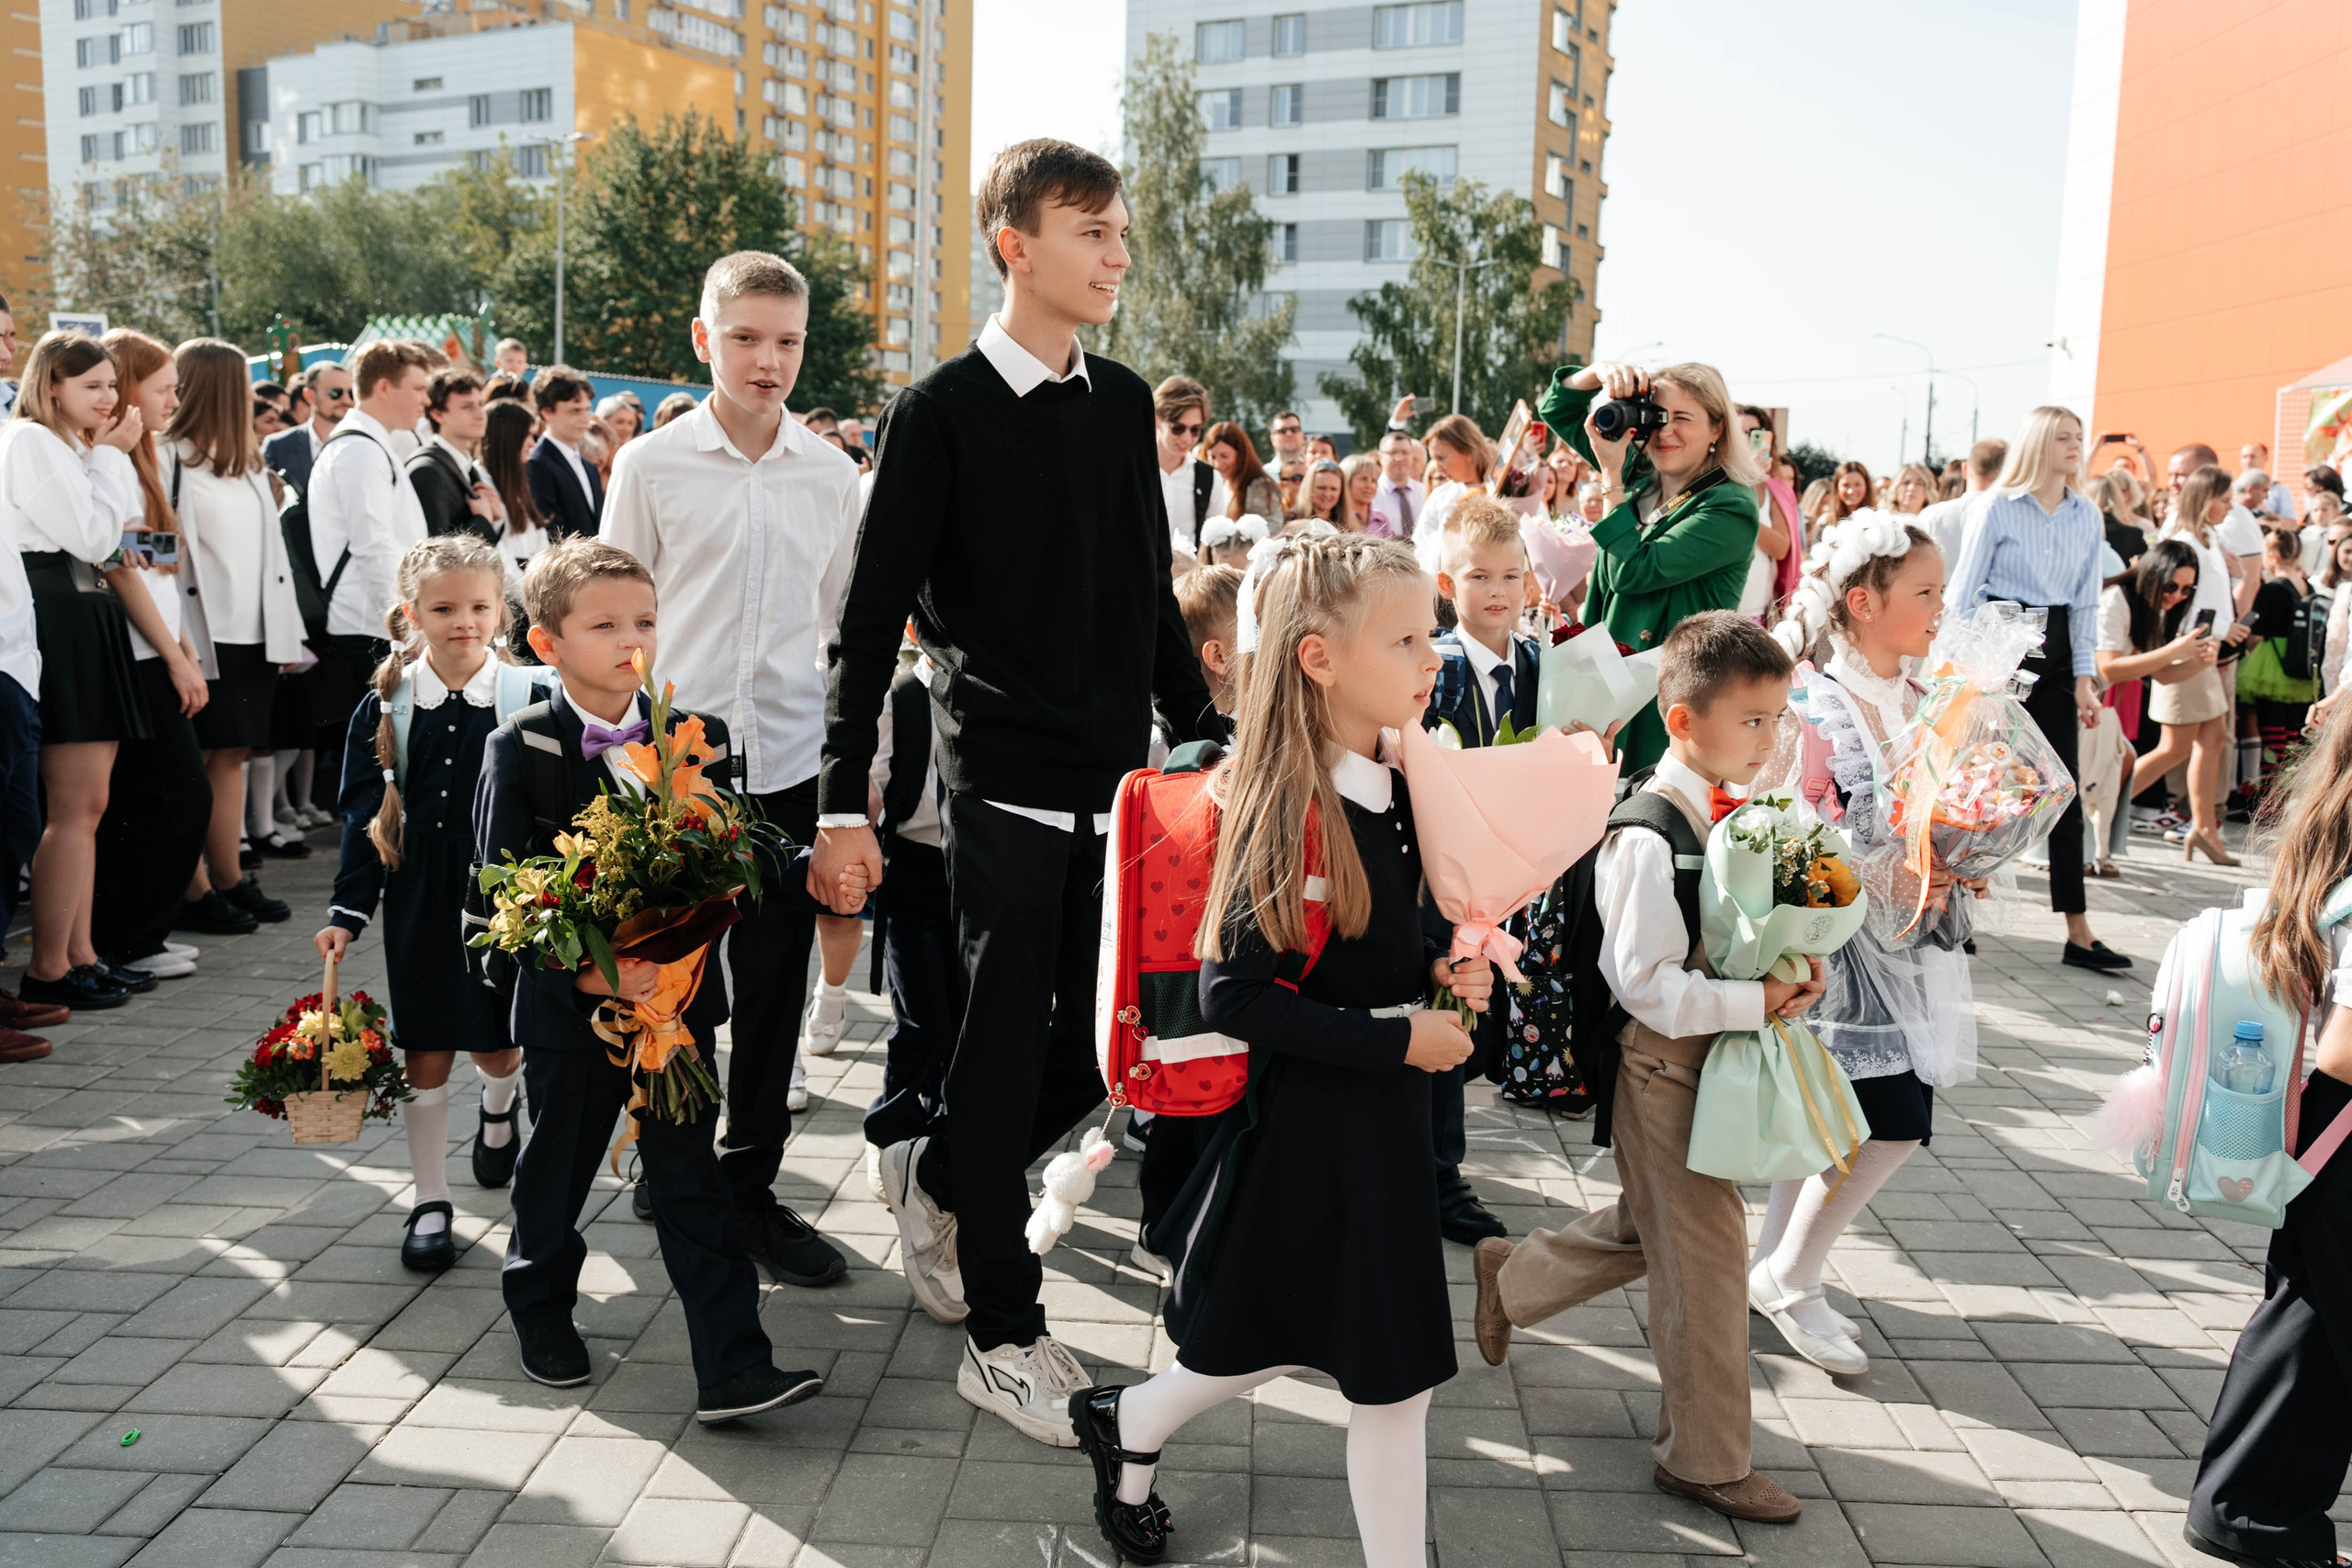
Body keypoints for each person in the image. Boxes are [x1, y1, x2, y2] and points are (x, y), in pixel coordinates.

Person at [810, 138, 1223, 1444]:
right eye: (1089, 231)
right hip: (997, 792)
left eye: (1118, 234)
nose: (1115, 256)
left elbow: (1145, 591)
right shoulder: (937, 416)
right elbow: (871, 627)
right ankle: (1003, 1333)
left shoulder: (1118, 404)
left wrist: (1206, 727)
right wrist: (839, 800)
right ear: (1014, 244)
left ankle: (935, 1167)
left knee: (1112, 1048)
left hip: (1125, 790)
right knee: (997, 1058)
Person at [1070, 532, 1481, 1568]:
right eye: (1405, 639)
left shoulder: (1393, 779)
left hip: (1370, 1125)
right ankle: (1135, 1423)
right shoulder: (1286, 797)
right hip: (1306, 1131)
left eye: (1430, 634)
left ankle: (1130, 1423)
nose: (1431, 656)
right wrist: (1398, 1037)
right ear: (1318, 659)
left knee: (1329, 1355)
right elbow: (1235, 992)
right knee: (1365, 1367)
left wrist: (1438, 972)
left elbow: (1358, 951)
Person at [481, 536, 848, 1422]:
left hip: (679, 1013)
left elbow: (742, 837)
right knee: (555, 1176)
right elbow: (493, 906)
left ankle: (732, 1364)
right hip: (576, 1023)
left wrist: (812, 865)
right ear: (546, 643)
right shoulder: (520, 746)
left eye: (644, 620)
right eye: (603, 624)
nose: (630, 638)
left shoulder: (696, 731)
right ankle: (541, 1309)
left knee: (692, 1181)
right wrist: (593, 974)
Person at [1472, 611, 1821, 1528]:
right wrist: (1757, 1000)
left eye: (1777, 718)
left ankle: (1512, 1275)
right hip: (1665, 1072)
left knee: (1656, 1229)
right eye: (1751, 720)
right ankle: (1703, 1460)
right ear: (1681, 721)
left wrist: (1792, 966)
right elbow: (1644, 987)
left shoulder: (1732, 807)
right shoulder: (1647, 831)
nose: (1768, 738)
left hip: (1710, 1065)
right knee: (1704, 1269)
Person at [601, 250, 863, 1291]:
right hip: (677, 770)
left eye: (787, 341)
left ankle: (749, 1189)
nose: (768, 361)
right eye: (746, 338)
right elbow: (611, 626)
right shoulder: (650, 467)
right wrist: (634, 765)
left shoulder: (830, 473)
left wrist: (857, 779)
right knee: (679, 989)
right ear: (705, 340)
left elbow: (847, 630)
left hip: (793, 762)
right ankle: (674, 1168)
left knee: (770, 993)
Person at [1754, 515, 1980, 1378]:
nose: (1938, 605)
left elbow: (1938, 814)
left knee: (1834, 1118)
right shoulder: (1815, 702)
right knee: (1888, 1122)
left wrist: (1964, 853)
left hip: (1908, 943)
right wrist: (1871, 873)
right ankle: (1789, 1272)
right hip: (1837, 950)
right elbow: (1780, 830)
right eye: (1923, 591)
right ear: (1864, 601)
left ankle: (1776, 1265)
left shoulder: (1923, 698)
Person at [317, 536, 529, 1271]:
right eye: (443, 608)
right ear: (412, 614)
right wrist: (349, 911)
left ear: (502, 609)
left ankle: (500, 1113)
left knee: (497, 1041)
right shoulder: (388, 702)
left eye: (478, 606)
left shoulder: (527, 696)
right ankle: (430, 1199)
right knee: (425, 1045)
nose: (463, 620)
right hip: (418, 897)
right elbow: (362, 816)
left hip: (506, 898)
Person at [2185, 697, 2352, 1563]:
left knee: (2309, 1314)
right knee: (2310, 1309)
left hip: (2327, 1132)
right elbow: (2347, 1047)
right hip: (2344, 1121)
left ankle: (2250, 1505)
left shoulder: (2337, 831)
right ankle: (2248, 1504)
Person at [1946, 407, 2132, 967]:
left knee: (2063, 787)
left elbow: (2085, 604)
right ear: (2038, 444)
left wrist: (2082, 679)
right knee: (1980, 787)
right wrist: (1964, 666)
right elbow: (1962, 592)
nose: (2077, 446)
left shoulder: (2087, 516)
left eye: (2079, 437)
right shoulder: (1996, 507)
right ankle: (1958, 907)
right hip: (2000, 645)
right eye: (2064, 438)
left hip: (2055, 650)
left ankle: (2078, 930)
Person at [3, 332, 153, 1010]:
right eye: (92, 386)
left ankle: (80, 953)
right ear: (52, 385)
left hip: (79, 610)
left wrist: (103, 456)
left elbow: (116, 535)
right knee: (73, 807)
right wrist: (114, 455)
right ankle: (51, 965)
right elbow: (97, 538)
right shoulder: (33, 440)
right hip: (60, 610)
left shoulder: (68, 447)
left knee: (87, 807)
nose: (109, 398)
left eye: (112, 384)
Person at [1538, 360, 1764, 771]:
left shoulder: (1730, 505)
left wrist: (1610, 477)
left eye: (1683, 418)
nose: (1665, 431)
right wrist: (1596, 373)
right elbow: (1557, 408)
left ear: (1717, 428)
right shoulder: (1642, 476)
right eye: (1657, 416)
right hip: (1606, 681)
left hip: (1670, 695)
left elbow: (1632, 571)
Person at [1422, 497, 1537, 1246]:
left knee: (1476, 1018)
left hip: (1511, 872)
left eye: (1510, 575)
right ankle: (1437, 1172)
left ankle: (1437, 1161)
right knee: (1441, 1005)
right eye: (1478, 576)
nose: (1497, 591)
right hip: (1440, 875)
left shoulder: (1539, 663)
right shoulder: (1438, 667)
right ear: (1447, 583)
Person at [171, 338, 310, 931]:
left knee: (232, 754)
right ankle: (195, 886)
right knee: (197, 760)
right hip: (204, 632)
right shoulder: (167, 454)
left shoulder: (249, 460)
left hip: (254, 633)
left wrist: (285, 636)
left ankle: (226, 875)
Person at [88, 330, 209, 986]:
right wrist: (175, 656)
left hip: (160, 640)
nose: (173, 399)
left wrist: (186, 646)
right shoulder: (104, 459)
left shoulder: (148, 458)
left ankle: (137, 934)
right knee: (173, 795)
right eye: (162, 387)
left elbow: (159, 564)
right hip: (134, 649)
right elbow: (121, 570)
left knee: (166, 796)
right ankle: (129, 937)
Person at [311, 339, 433, 815]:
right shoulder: (358, 450)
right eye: (418, 388)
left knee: (382, 766)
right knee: (375, 770)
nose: (425, 399)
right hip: (371, 625)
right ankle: (362, 880)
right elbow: (374, 549)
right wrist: (408, 628)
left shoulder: (369, 444)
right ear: (384, 386)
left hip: (378, 621)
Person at [2156, 464, 2252, 862]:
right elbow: (2179, 602)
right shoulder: (2184, 540)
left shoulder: (2209, 537)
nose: (2231, 507)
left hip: (2206, 650)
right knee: (2176, 748)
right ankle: (2105, 807)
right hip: (2189, 650)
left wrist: (2240, 577)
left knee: (2210, 741)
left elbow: (2212, 598)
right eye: (2225, 499)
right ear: (2205, 498)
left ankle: (2204, 828)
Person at [2237, 526, 2321, 799]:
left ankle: (2269, 798)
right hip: (2301, 665)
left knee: (2272, 735)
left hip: (2271, 663)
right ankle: (2288, 796)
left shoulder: (2271, 589)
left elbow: (2256, 631)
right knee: (2294, 736)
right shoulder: (2307, 586)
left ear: (2272, 556)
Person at [407, 369, 504, 545]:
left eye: (481, 404)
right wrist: (484, 520)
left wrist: (496, 518)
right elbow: (434, 553)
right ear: (438, 414)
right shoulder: (427, 470)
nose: (480, 415)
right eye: (467, 407)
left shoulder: (466, 465)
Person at [481, 400, 551, 592]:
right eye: (527, 435)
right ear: (508, 437)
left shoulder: (518, 484)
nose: (533, 443)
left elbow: (540, 545)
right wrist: (528, 598)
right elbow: (496, 552)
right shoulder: (481, 482)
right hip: (511, 596)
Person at [526, 367, 604, 541]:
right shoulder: (537, 464)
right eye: (575, 411)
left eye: (587, 409)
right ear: (547, 412)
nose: (585, 418)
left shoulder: (589, 467)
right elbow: (553, 535)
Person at [1735, 405, 1797, 619]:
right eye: (1740, 431)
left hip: (1756, 613)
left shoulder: (1776, 489)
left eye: (1755, 433)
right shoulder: (1711, 482)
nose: (1747, 438)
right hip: (1716, 609)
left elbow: (1781, 549)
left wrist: (1748, 486)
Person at [1410, 413, 1493, 572]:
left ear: (1468, 452)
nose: (1438, 467)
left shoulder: (1504, 487)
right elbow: (1418, 549)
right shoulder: (1440, 495)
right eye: (1434, 459)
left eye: (1441, 458)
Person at [1151, 375, 1224, 556]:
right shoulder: (1132, 470)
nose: (1187, 438)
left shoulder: (1209, 478)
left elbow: (1216, 545)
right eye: (1178, 428)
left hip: (1189, 580)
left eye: (1195, 430)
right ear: (1157, 420)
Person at [263, 363, 355, 498]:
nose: (346, 400)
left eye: (351, 393)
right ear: (309, 396)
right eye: (336, 393)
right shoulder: (278, 447)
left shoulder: (363, 444)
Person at [1204, 420, 1280, 524]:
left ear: (1240, 455)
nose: (1218, 464)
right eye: (1213, 457)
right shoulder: (1219, 482)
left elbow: (1268, 530)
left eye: (1225, 456)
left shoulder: (1258, 486)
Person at [1364, 430, 1427, 541]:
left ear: (1412, 456)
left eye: (1404, 452)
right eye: (1392, 453)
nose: (1399, 458)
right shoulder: (1370, 494)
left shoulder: (1425, 492)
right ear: (1380, 457)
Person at [1299, 457, 1356, 531]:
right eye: (1321, 488)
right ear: (1309, 488)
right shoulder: (1293, 519)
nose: (1327, 494)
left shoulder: (1349, 526)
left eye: (1334, 489)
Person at [1342, 451, 1383, 531]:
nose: (1369, 486)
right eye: (1364, 479)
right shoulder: (1339, 518)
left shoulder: (1381, 520)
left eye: (1373, 480)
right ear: (1347, 481)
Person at [1264, 407, 1306, 476]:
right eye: (1282, 431)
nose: (1289, 434)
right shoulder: (1262, 476)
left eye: (1294, 429)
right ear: (1272, 439)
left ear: (1302, 435)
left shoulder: (1316, 474)